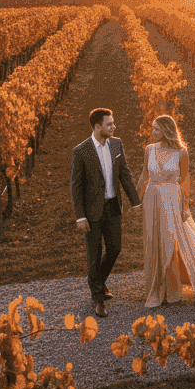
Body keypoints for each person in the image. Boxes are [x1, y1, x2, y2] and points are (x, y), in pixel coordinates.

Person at [137, 114, 195, 308]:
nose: (153, 132)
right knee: (152, 242)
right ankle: (155, 290)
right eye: (153, 128)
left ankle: (172, 290)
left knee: (170, 241)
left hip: (172, 199)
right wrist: (134, 201)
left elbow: (185, 181)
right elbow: (144, 175)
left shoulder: (181, 152)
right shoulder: (149, 150)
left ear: (166, 130)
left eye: (157, 128)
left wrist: (185, 206)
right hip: (151, 198)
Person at [71, 108, 141, 318]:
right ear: (97, 126)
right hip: (92, 212)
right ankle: (99, 298)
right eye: (109, 124)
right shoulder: (81, 151)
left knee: (114, 249)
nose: (113, 127)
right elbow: (76, 187)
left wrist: (135, 202)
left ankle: (97, 282)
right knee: (93, 255)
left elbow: (124, 174)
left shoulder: (116, 144)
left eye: (113, 123)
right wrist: (80, 216)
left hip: (113, 207)